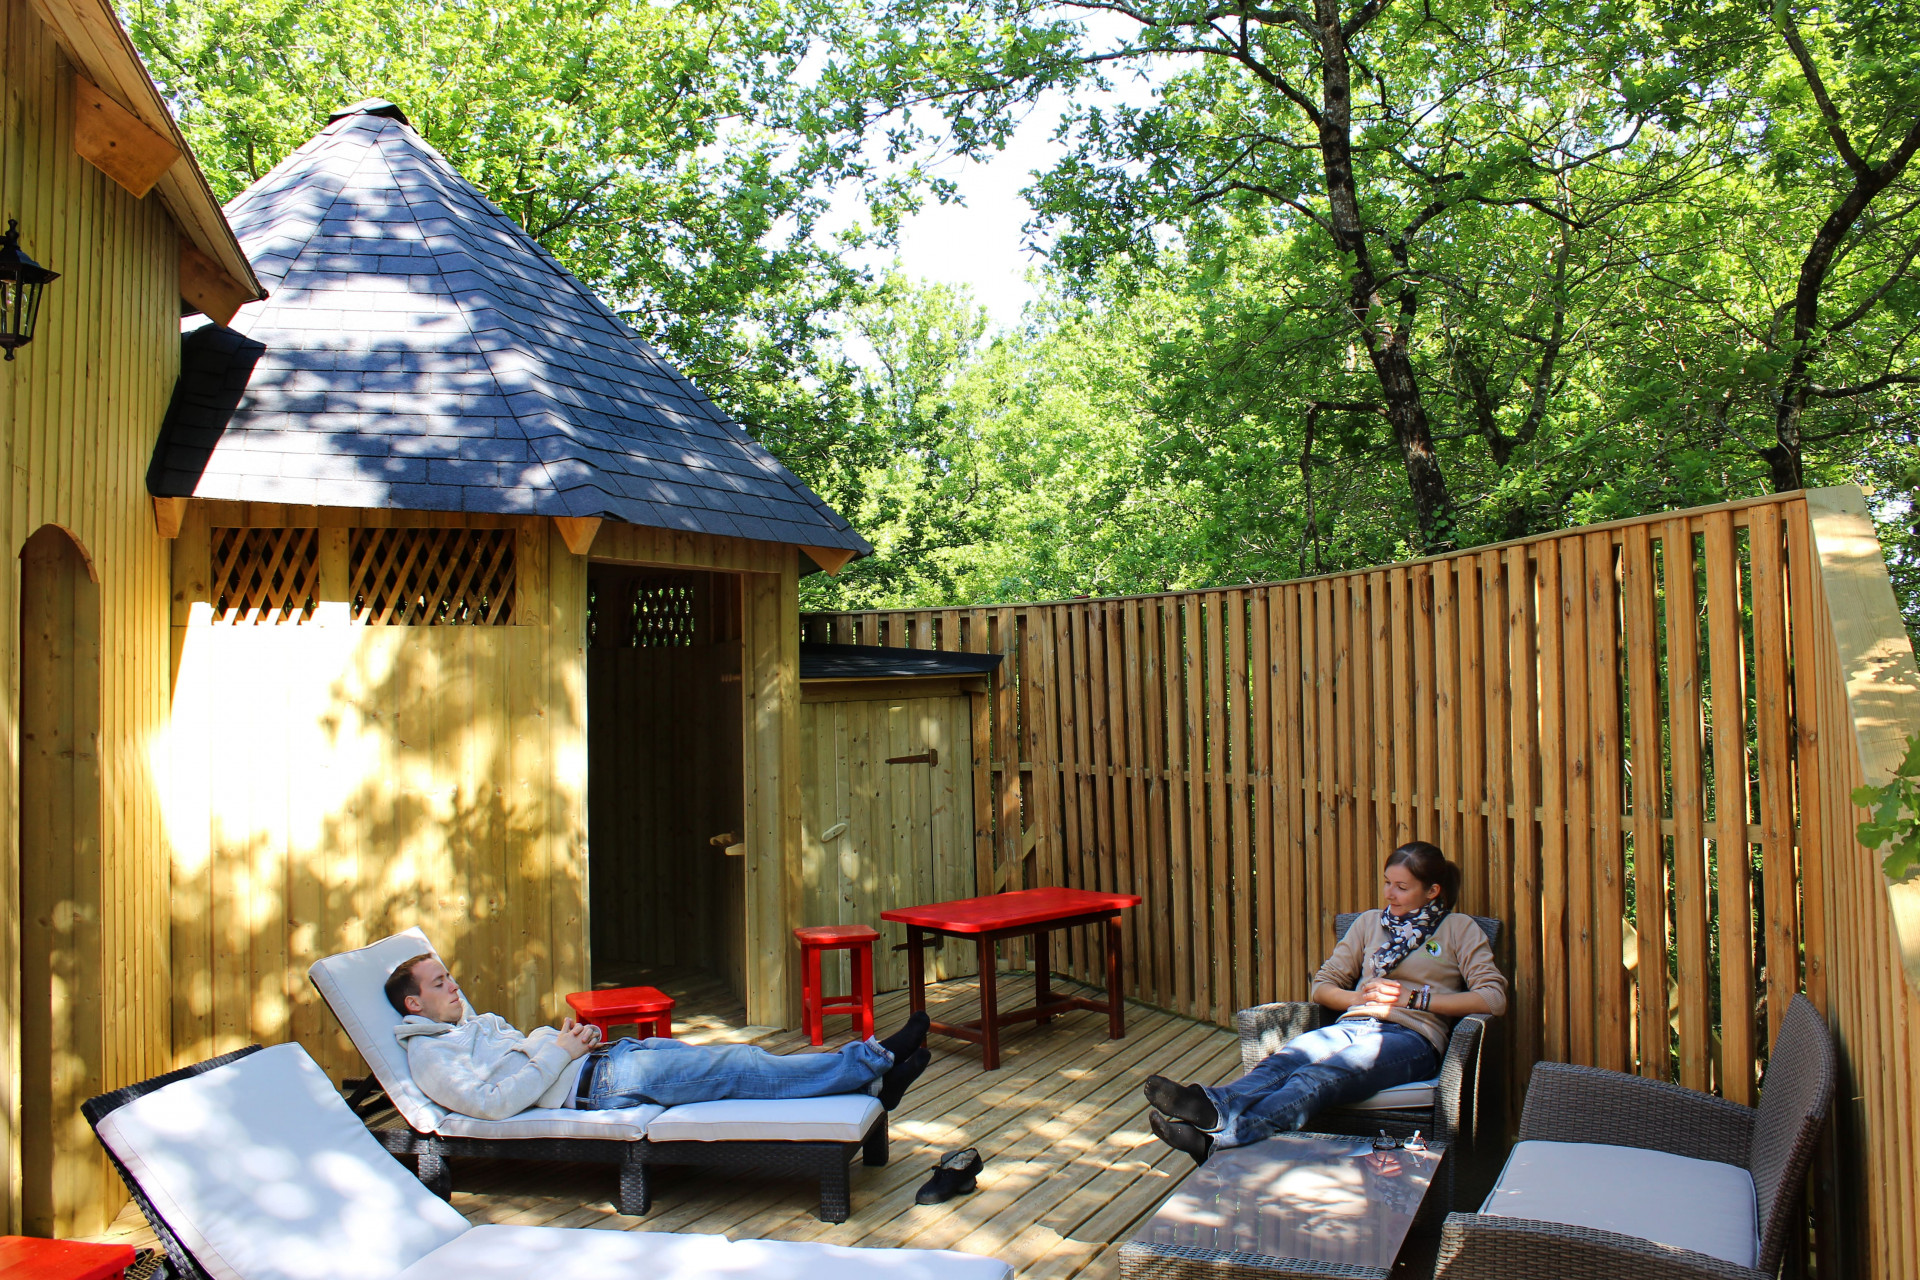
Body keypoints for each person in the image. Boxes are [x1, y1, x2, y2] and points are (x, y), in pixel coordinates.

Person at [1143, 841, 1506, 1163]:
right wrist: (1357, 997)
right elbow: (1323, 986)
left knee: (1317, 1076)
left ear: (1432, 891)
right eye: (1387, 883)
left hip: (1411, 1038)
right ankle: (1213, 1108)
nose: (1389, 894)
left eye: (1401, 887)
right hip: (1354, 1023)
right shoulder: (1369, 923)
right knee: (1286, 1060)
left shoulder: (1458, 928)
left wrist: (1416, 998)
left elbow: (1493, 999)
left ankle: (1225, 1135)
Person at [385, 954, 932, 1121]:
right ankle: (873, 1058)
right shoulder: (432, 1054)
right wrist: (560, 1051)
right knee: (739, 1066)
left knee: (737, 1066)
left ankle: (874, 1089)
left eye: (450, 976)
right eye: (439, 983)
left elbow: (527, 1056)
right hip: (599, 1085)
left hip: (606, 1060)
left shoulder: (470, 1024)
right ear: (414, 1004)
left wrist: (567, 1038)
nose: (454, 986)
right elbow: (492, 1103)